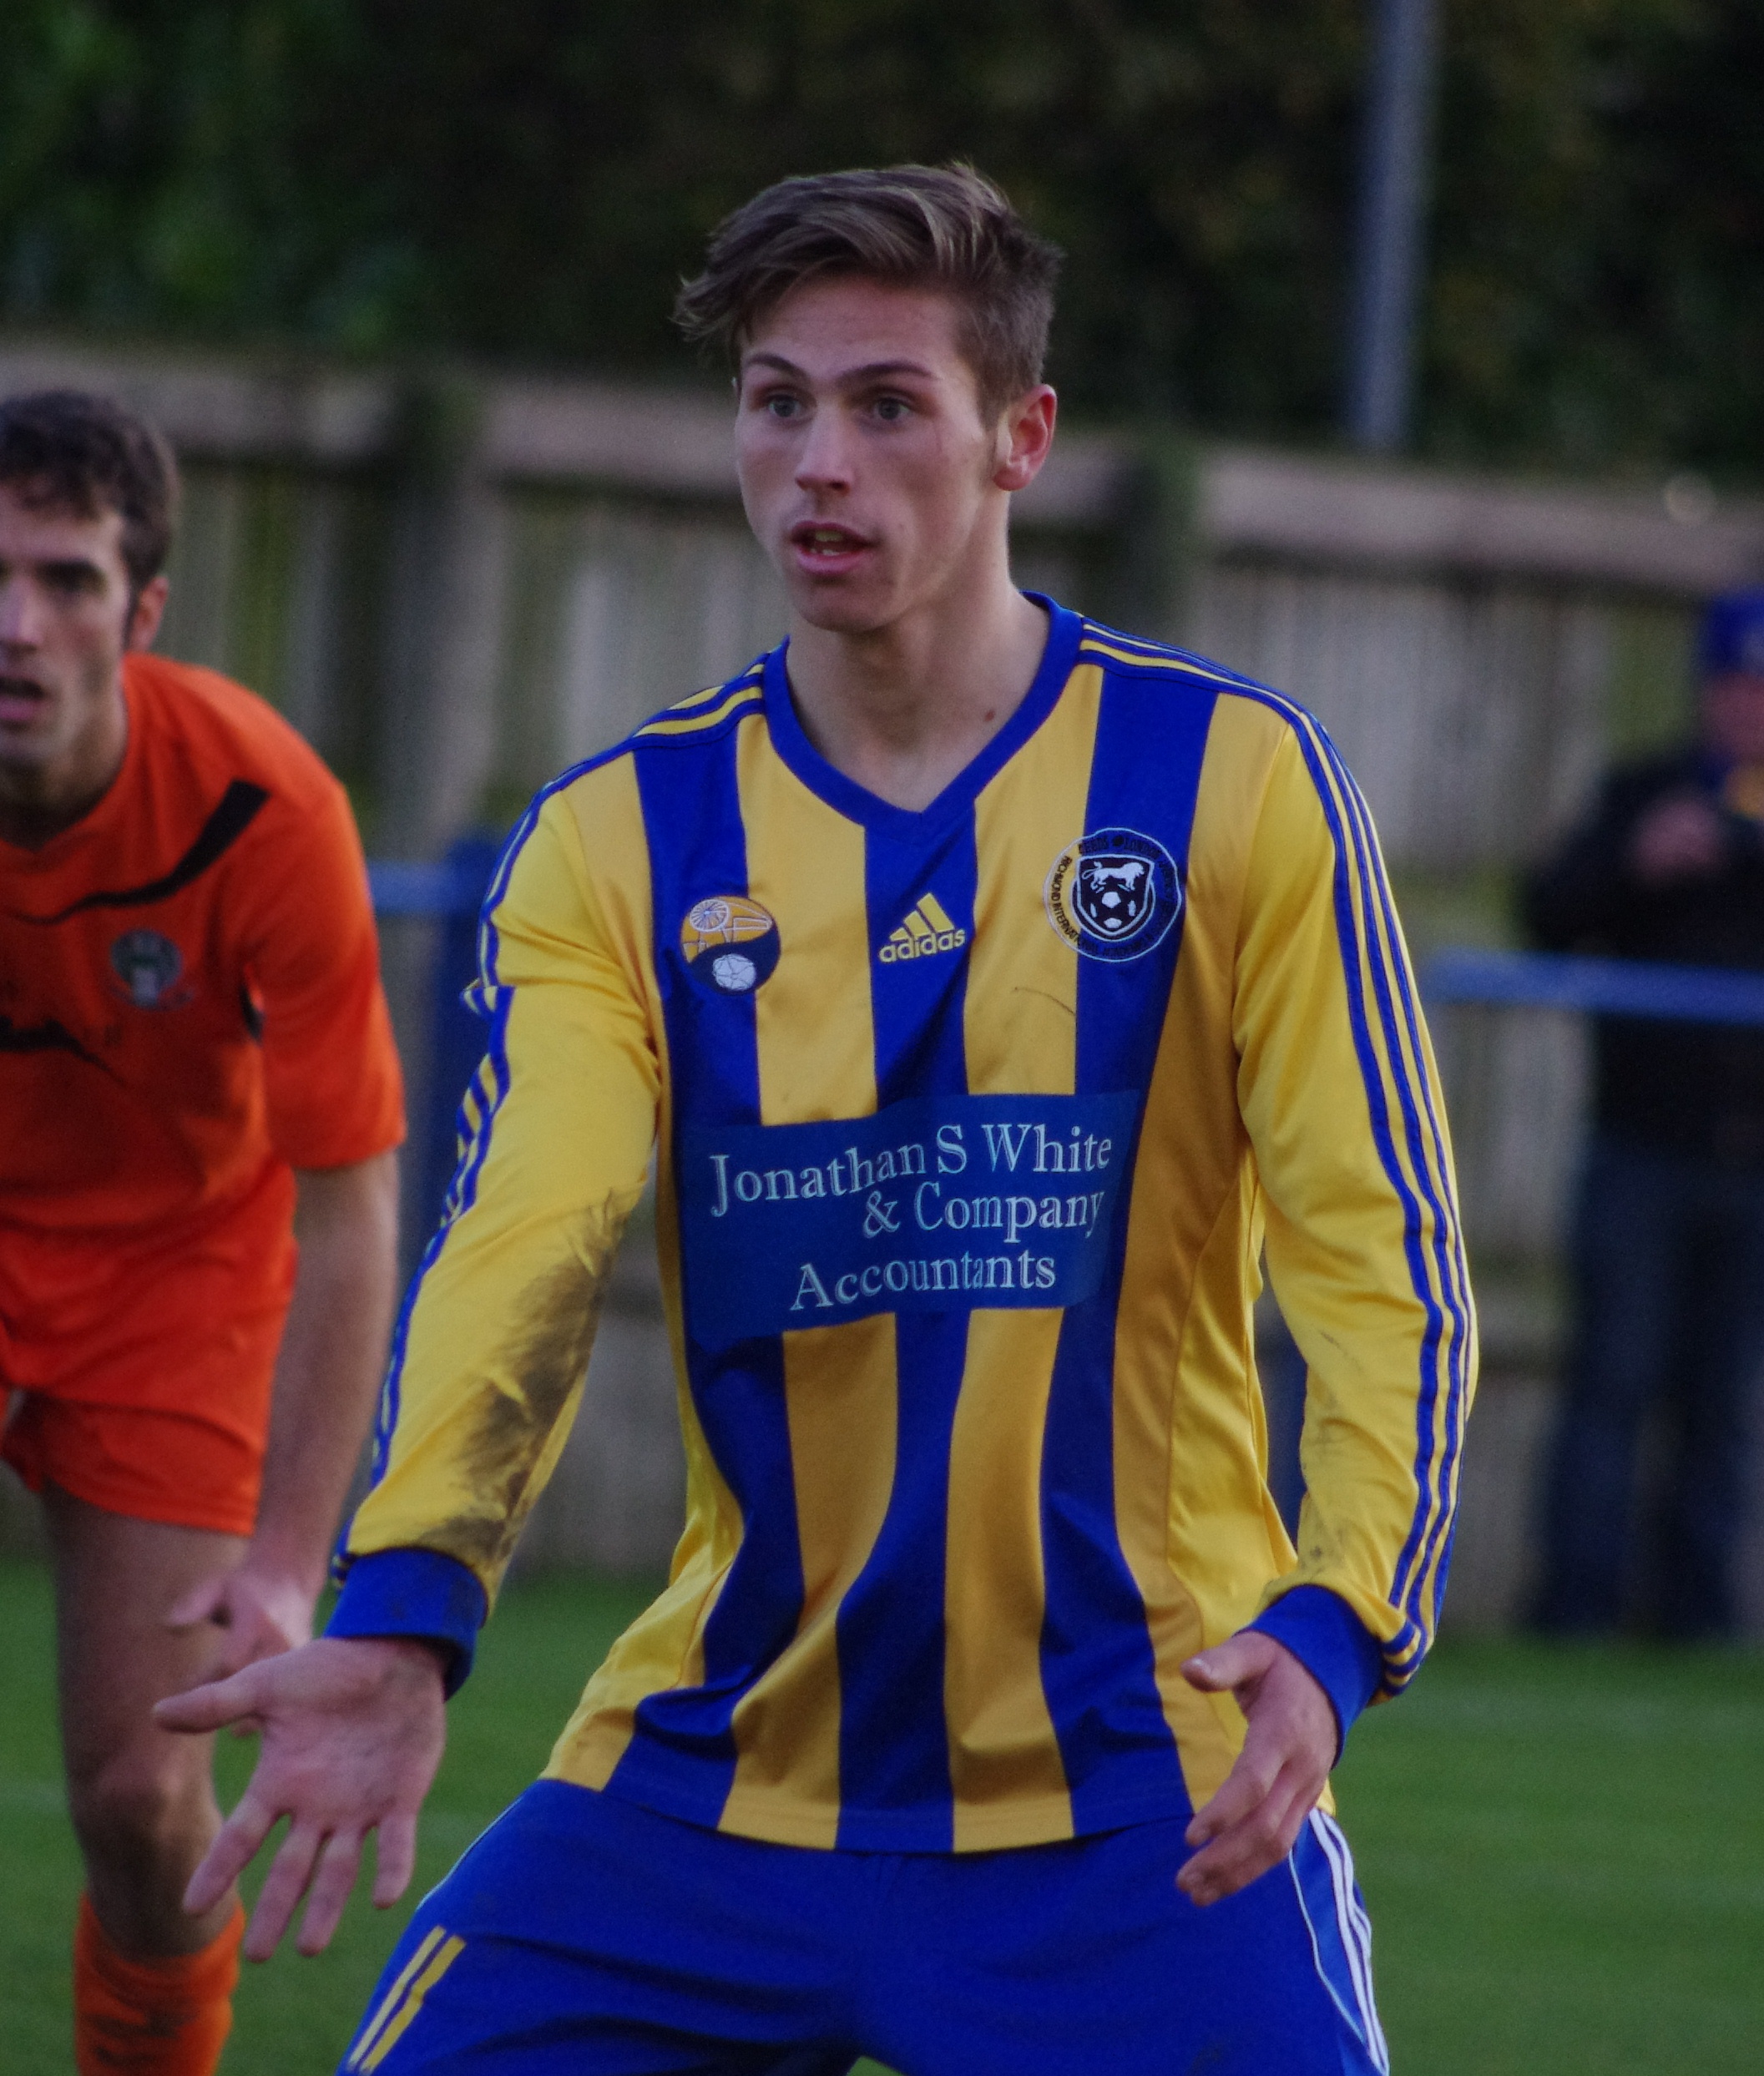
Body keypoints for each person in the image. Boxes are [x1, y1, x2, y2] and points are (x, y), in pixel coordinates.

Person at [160, 166, 1475, 2076]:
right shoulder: (620, 838)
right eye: (775, 401)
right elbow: (519, 1241)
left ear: (1018, 438)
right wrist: (406, 1600)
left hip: (1141, 1800)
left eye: (882, 405)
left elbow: (1383, 1250)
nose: (817, 465)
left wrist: (1339, 1612)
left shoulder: (1230, 783)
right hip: (712, 1780)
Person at [0, 389, 407, 2073]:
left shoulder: (263, 809)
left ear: (142, 610)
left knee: (141, 1797)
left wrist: (288, 1563)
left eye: (68, 579)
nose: (16, 625)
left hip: (178, 1275)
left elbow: (354, 1197)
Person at [1525, 587, 1764, 1639]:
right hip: (1639, 1150)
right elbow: (1544, 913)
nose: (1750, 708)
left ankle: (1696, 1621)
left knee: (1723, 1408)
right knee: (1608, 1386)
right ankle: (1571, 1612)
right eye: (1735, 684)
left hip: (1755, 1163)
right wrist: (1635, 861)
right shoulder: (1646, 791)